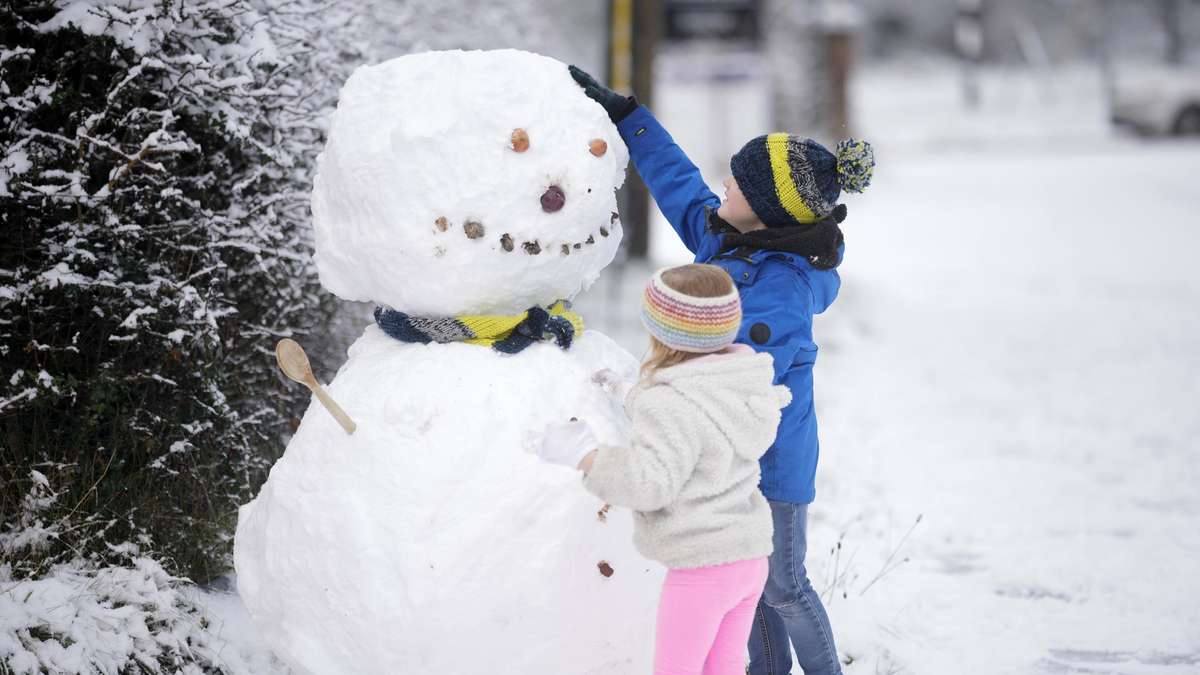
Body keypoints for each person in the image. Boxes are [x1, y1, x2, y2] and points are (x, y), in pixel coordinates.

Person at [567, 65, 875, 675]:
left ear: (762, 212)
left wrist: (655, 395)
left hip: (773, 464)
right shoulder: (728, 242)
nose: (720, 191)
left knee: (782, 585)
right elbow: (679, 185)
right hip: (727, 463)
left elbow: (741, 379)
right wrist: (630, 119)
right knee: (748, 583)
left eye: (733, 185)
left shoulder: (781, 288)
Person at [534, 263, 791, 675]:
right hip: (749, 559)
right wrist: (628, 394)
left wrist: (586, 455)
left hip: (702, 569)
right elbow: (694, 411)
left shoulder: (670, 403)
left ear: (663, 333)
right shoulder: (740, 383)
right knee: (722, 666)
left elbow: (650, 482)